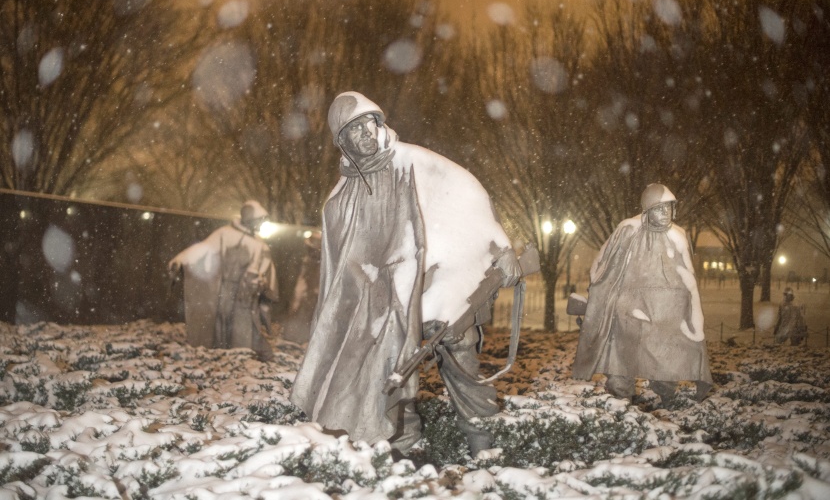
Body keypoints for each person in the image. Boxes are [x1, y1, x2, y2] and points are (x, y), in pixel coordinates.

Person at [290, 91, 522, 457]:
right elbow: (343, 267)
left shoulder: (416, 162)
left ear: (378, 124)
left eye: (367, 125)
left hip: (440, 284)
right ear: (343, 143)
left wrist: (501, 248)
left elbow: (467, 198)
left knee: (461, 363)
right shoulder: (341, 198)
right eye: (352, 133)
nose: (363, 136)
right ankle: (402, 449)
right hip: (385, 303)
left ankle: (483, 443)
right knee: (389, 377)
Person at [572, 183, 712, 405]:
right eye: (659, 208)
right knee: (620, 357)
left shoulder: (678, 236)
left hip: (667, 314)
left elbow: (688, 278)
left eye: (668, 207)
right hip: (630, 309)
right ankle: (620, 402)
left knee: (669, 359)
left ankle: (667, 399)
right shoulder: (628, 230)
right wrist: (604, 299)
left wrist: (690, 311)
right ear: (647, 210)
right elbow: (602, 267)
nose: (665, 213)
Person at [169, 200, 277, 362]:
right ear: (250, 219)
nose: (260, 224)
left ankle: (248, 356)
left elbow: (265, 271)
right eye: (258, 220)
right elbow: (203, 250)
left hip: (245, 294)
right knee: (220, 325)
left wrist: (261, 284)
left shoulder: (259, 245)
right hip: (224, 289)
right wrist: (182, 260)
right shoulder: (224, 234)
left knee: (245, 326)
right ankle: (223, 356)